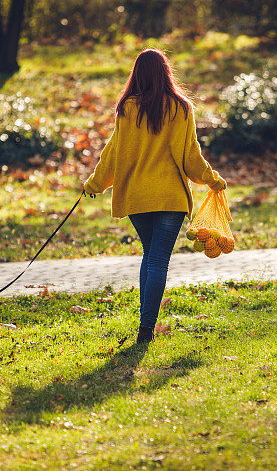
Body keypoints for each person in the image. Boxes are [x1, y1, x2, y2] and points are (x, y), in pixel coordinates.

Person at [83, 48, 227, 344]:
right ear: (165, 73)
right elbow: (190, 157)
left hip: (137, 198)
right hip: (169, 198)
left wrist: (95, 184)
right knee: (158, 259)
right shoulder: (181, 108)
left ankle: (145, 325)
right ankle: (146, 328)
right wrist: (212, 178)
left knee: (150, 256)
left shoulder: (126, 109)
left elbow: (113, 153)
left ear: (137, 74)